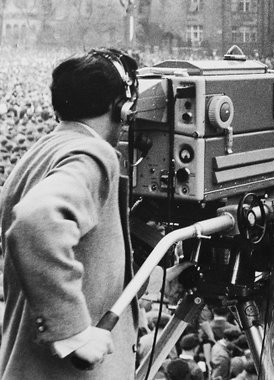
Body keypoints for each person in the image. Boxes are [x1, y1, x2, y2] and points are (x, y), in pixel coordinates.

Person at [0, 48, 191, 379]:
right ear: (123, 107)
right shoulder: (93, 154)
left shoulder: (44, 150)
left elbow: (87, 258)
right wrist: (73, 331)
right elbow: (35, 222)